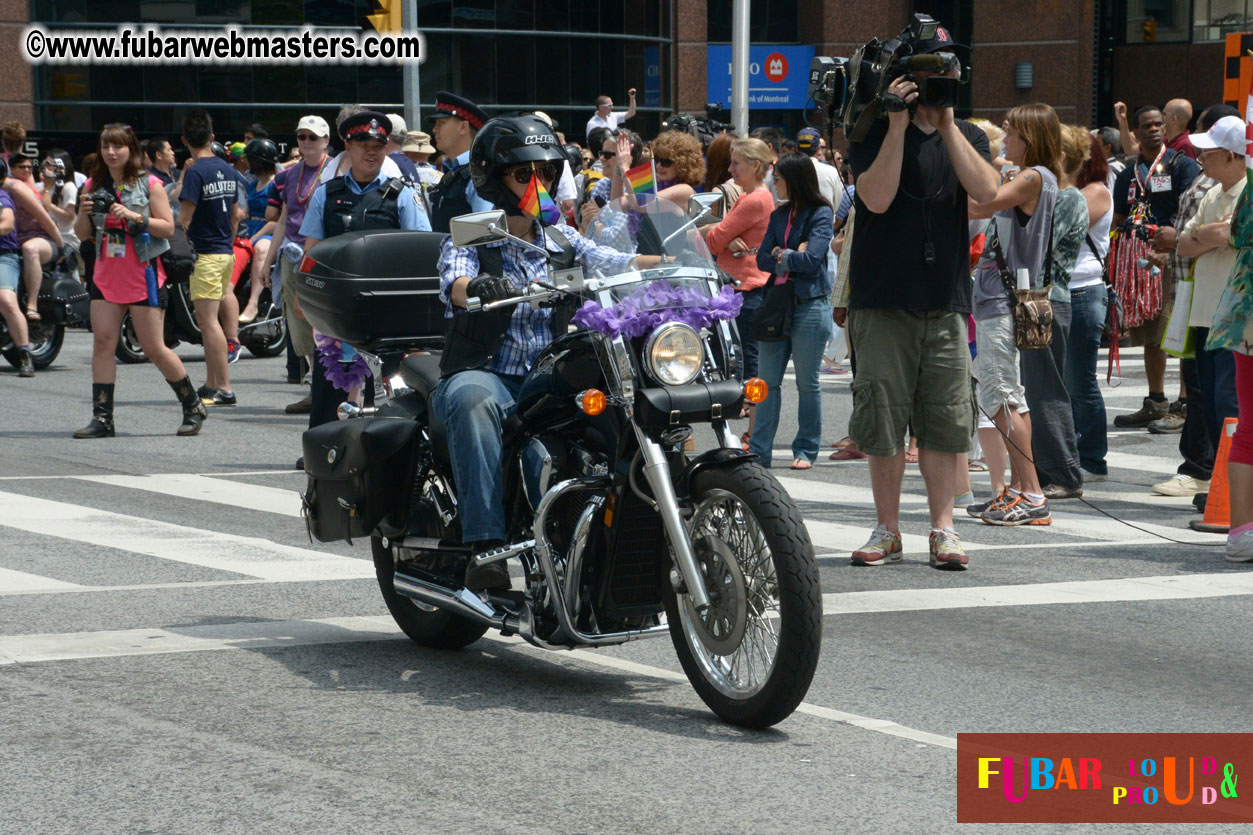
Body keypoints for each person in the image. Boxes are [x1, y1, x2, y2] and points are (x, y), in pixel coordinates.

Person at [434, 115, 661, 590]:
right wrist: (475, 284)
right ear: (494, 179)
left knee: (628, 398)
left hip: (551, 377)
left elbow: (609, 261)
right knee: (470, 400)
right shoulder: (475, 232)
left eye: (547, 173)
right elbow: (453, 280)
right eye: (524, 174)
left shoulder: (559, 235)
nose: (540, 183)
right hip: (490, 371)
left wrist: (665, 264)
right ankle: (485, 547)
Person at [845, 23, 998, 570]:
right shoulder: (870, 129)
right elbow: (878, 200)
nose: (943, 77)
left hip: (945, 299)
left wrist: (948, 121)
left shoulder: (970, 137)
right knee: (883, 417)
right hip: (883, 299)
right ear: (905, 76)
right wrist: (896, 126)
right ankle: (887, 528)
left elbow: (986, 192)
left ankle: (943, 529)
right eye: (931, 68)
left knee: (945, 417)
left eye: (949, 68)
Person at [70, 123, 207, 437]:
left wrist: (135, 217)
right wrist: (82, 211)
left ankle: (192, 404)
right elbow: (83, 235)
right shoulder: (92, 185)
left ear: (131, 149)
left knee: (153, 346)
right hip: (106, 274)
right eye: (106, 146)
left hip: (143, 272)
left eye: (117, 146)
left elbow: (167, 229)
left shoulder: (150, 184)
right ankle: (102, 419)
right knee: (103, 343)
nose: (111, 152)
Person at [300, 110, 430, 430]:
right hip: (337, 311)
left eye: (378, 145)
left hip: (386, 312)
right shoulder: (326, 194)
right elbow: (311, 253)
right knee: (332, 382)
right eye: (363, 143)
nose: (371, 151)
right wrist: (304, 297)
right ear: (347, 145)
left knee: (383, 388)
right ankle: (327, 445)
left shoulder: (402, 195)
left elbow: (422, 251)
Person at [967, 103, 1062, 528]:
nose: (1004, 135)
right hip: (1002, 299)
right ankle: (1023, 490)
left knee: (1002, 395)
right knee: (1010, 397)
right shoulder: (1029, 175)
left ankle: (1032, 493)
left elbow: (983, 203)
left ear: (1030, 134)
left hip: (1003, 302)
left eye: (1010, 129)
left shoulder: (1034, 176)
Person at [1158, 112, 1245, 502]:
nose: (1202, 159)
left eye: (1209, 153)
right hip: (1203, 313)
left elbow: (1228, 232)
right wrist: (1205, 234)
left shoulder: (1248, 191)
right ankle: (1219, 483)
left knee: (1230, 402)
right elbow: (1187, 242)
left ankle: (1233, 490)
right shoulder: (1212, 192)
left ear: (1231, 155)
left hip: (1235, 317)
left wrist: (1204, 234)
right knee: (1208, 400)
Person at [1110, 105, 1202, 429]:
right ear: (1135, 132)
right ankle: (1156, 401)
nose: (1152, 129)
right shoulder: (1125, 175)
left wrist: (1171, 247)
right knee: (1149, 333)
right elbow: (1119, 219)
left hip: (1174, 258)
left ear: (1166, 128)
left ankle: (1185, 403)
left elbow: (1193, 211)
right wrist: (1115, 256)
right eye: (1146, 125)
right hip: (1138, 263)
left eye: (1157, 124)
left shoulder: (1182, 166)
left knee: (1176, 330)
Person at [745, 153, 834, 471]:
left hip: (810, 304)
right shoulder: (778, 214)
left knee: (807, 384)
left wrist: (780, 254)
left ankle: (807, 450)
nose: (774, 184)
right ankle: (759, 450)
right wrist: (789, 253)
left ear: (794, 179)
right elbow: (762, 261)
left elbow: (813, 261)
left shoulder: (821, 213)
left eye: (778, 178)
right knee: (767, 383)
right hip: (776, 304)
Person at [1020, 123, 1089, 500]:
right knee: (1034, 386)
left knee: (1046, 387)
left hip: (1044, 299)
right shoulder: (1047, 193)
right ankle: (1047, 470)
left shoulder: (1069, 197)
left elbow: (1039, 243)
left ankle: (1064, 472)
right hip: (1033, 298)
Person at [703, 137, 775, 448]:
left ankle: (753, 434)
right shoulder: (759, 196)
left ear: (756, 166)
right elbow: (724, 237)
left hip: (744, 287)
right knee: (747, 359)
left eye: (736, 163)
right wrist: (725, 235)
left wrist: (717, 233)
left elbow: (715, 240)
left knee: (748, 361)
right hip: (747, 286)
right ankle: (753, 431)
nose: (730, 169)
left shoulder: (753, 199)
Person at [260, 114, 331, 410]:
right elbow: (282, 219)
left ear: (326, 141)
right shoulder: (289, 175)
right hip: (292, 253)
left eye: (312, 137)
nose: (305, 143)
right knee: (299, 327)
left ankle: (334, 391)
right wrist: (268, 262)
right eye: (301, 137)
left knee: (326, 324)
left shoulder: (335, 170)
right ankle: (317, 390)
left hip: (322, 255)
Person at [1204, 146, 1253, 562]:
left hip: (1245, 314)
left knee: (1250, 428)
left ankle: (1241, 532)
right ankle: (1240, 533)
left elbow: (1236, 234)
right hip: (1245, 315)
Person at [178, 109, 244, 408]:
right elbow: (235, 215)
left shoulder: (194, 172)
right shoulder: (227, 169)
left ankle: (224, 388)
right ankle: (212, 383)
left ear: (184, 140)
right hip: (225, 252)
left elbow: (185, 219)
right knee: (210, 322)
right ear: (212, 137)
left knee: (208, 323)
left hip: (204, 254)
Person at [1064, 131, 1113, 480]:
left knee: (1081, 381)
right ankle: (1071, 452)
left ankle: (1093, 457)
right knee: (1063, 382)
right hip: (1061, 293)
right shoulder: (1068, 191)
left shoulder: (1095, 191)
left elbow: (1064, 227)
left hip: (1083, 292)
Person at [6, 151, 64, 327]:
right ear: (11, 169)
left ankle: (32, 305)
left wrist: (62, 248)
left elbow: (47, 222)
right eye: (21, 167)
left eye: (29, 167)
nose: (26, 170)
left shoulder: (17, 188)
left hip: (42, 239)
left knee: (30, 249)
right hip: (14, 241)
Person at [425, 91, 493, 233]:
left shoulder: (478, 175)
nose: (434, 130)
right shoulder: (453, 172)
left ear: (463, 127)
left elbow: (485, 235)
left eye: (441, 123)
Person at [238, 137, 280, 324]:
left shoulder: (277, 184)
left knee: (261, 249)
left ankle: (253, 303)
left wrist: (253, 237)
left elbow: (277, 221)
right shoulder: (252, 184)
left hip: (269, 231)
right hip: (251, 228)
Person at [0, 157, 34, 376]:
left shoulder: (2, 196)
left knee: (6, 300)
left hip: (4, 256)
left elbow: (7, 223)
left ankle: (24, 353)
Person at [39, 150, 79, 268]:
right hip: (52, 237)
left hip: (67, 239)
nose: (47, 168)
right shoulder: (51, 185)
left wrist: (51, 206)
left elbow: (69, 216)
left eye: (50, 165)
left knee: (69, 275)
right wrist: (46, 185)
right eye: (46, 164)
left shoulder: (68, 187)